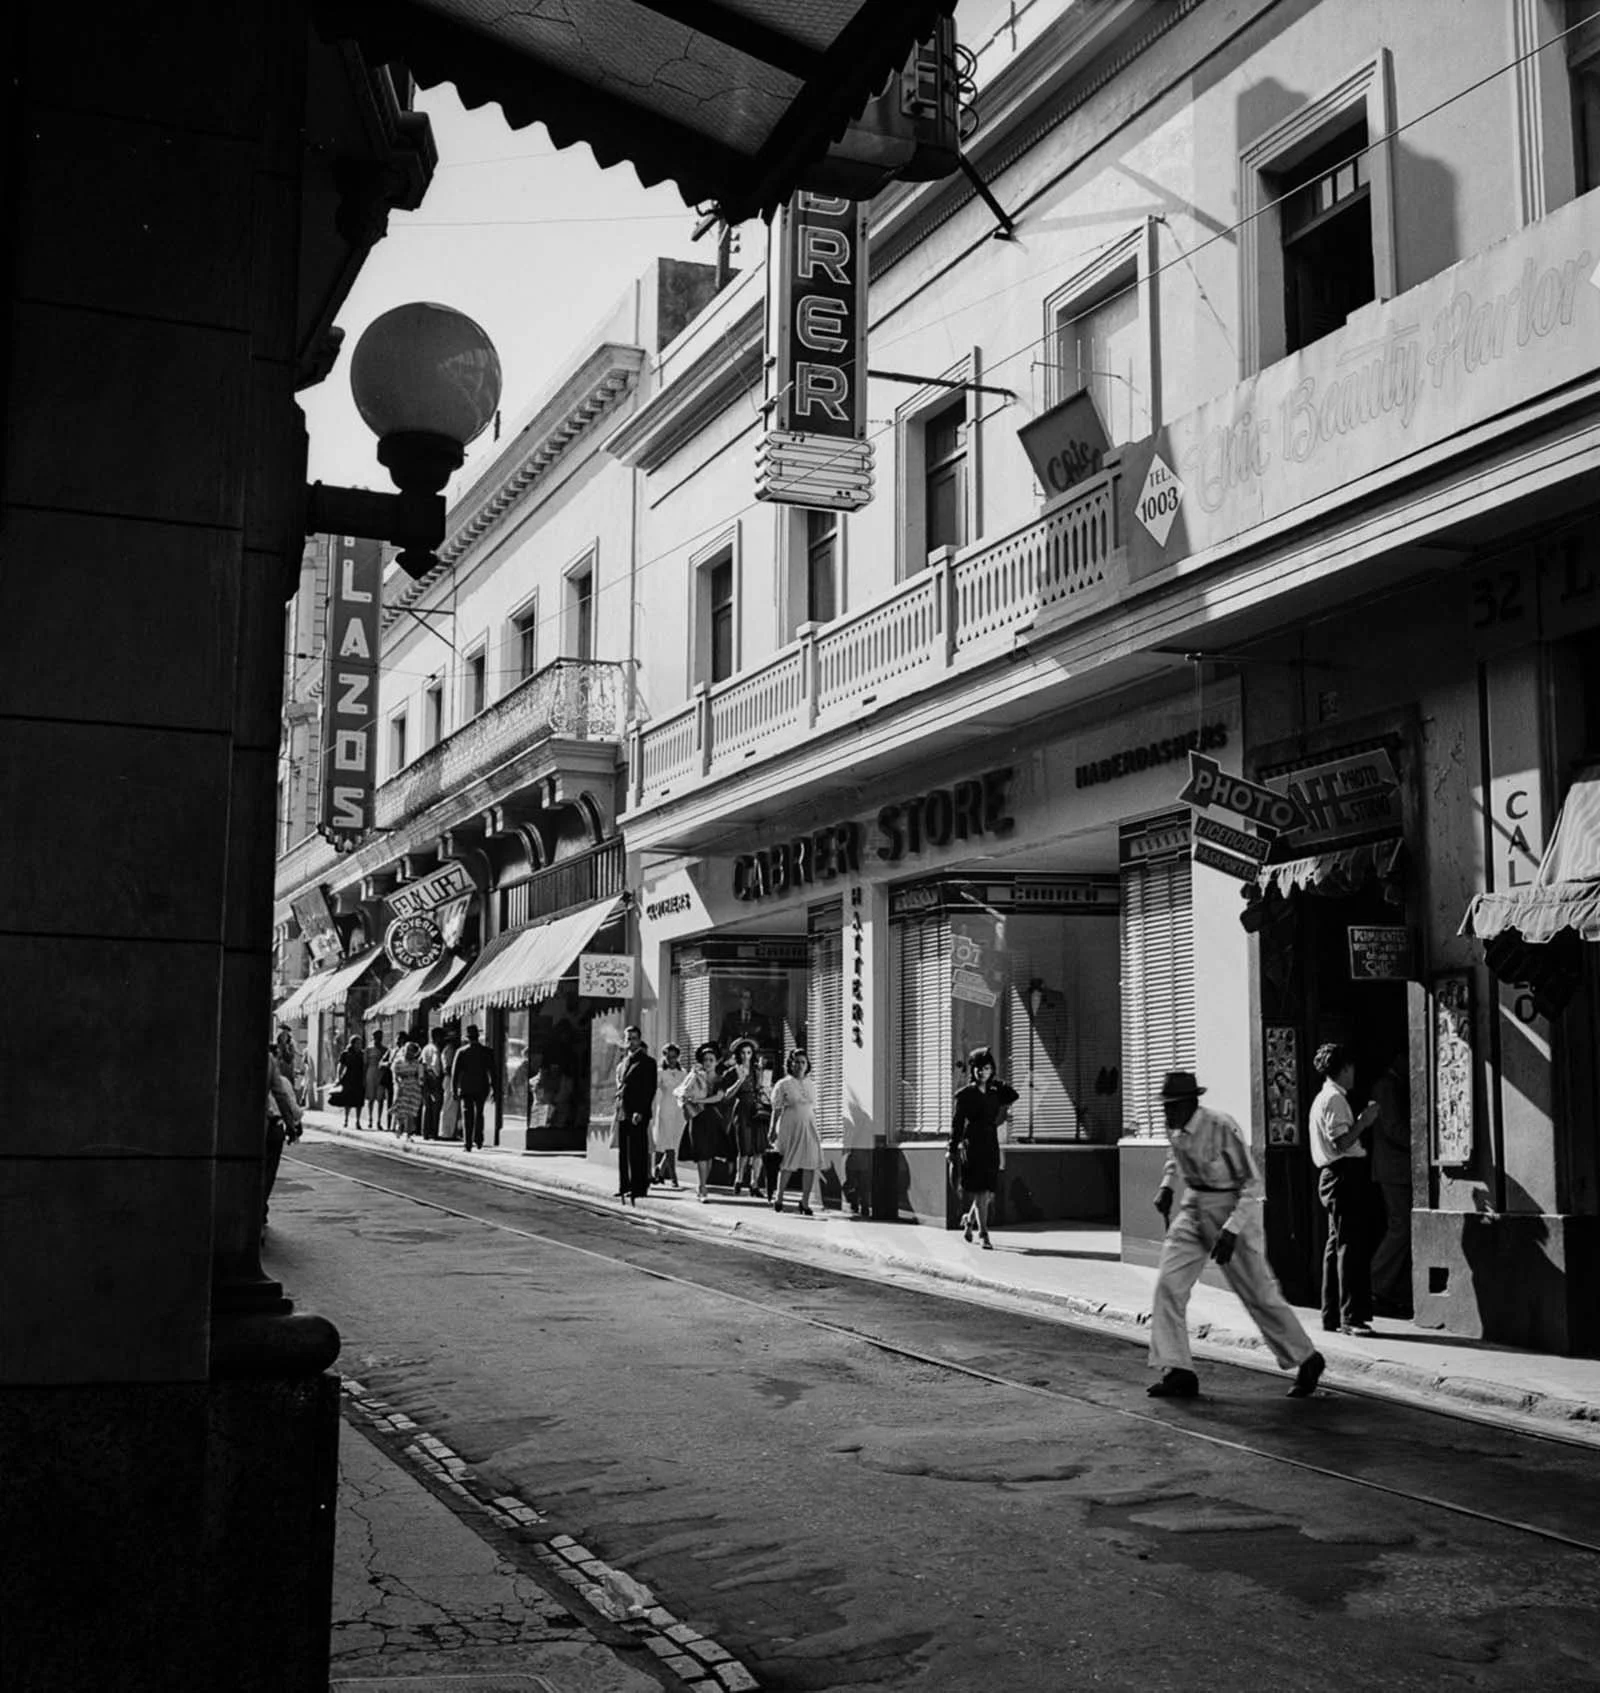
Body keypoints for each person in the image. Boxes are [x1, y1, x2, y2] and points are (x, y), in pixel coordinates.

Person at [1148, 1070, 1326, 1400]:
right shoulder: (1173, 1126)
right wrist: (1166, 1187)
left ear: (1192, 1103)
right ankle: (1177, 1370)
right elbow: (1175, 1156)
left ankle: (1307, 1358)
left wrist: (1230, 1231)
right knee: (1168, 1285)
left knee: (1257, 1292)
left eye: (1174, 1106)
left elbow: (1252, 1185)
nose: (1168, 1113)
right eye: (1166, 1107)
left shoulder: (1221, 1127)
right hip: (1193, 1207)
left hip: (1232, 1206)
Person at [1310, 1041, 1382, 1337]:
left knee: (1335, 1244)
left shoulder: (1323, 1098)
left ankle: (1333, 1315)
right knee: (1349, 1245)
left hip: (1333, 1174)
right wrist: (1364, 1122)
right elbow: (1341, 1142)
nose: (1355, 1074)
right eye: (1351, 1068)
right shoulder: (1335, 1100)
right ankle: (1351, 1317)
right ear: (1343, 1069)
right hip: (1343, 1174)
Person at [948, 1047, 1018, 1249]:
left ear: (992, 1069)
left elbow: (1013, 1094)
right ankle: (984, 1233)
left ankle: (969, 1221)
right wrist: (952, 1148)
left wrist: (995, 1082)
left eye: (987, 1068)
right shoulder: (965, 1095)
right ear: (973, 1070)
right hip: (973, 1145)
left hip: (991, 1143)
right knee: (980, 1190)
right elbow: (957, 1123)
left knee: (986, 1192)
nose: (983, 1072)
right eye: (979, 1068)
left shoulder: (995, 1091)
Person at [1367, 1050, 1413, 1317]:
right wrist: (1420, 1143)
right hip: (1394, 1170)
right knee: (1401, 1228)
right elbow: (1393, 1128)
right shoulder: (1387, 1086)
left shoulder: (1393, 1085)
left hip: (1397, 1169)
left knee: (1401, 1228)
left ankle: (1388, 1289)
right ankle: (1375, 1284)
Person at [771, 1049, 822, 1215]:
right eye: (797, 1062)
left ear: (807, 1065)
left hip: (809, 1124)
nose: (799, 1065)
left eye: (803, 1062)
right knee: (790, 1161)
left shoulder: (810, 1083)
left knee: (811, 1162)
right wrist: (772, 1129)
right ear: (790, 1064)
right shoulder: (784, 1084)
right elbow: (777, 1108)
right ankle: (779, 1197)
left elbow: (812, 1106)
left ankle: (805, 1202)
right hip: (791, 1125)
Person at [611, 1024, 658, 1205]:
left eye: (634, 1038)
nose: (630, 1042)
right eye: (628, 1038)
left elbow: (649, 1089)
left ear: (640, 1040)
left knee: (638, 1149)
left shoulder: (647, 1062)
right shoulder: (623, 1063)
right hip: (623, 1109)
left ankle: (639, 1186)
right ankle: (625, 1185)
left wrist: (641, 1110)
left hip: (638, 1112)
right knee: (624, 1150)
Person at [676, 1044, 728, 1203]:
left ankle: (704, 1184)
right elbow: (683, 1091)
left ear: (717, 1062)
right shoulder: (695, 1076)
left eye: (711, 1060)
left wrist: (699, 1100)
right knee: (701, 1153)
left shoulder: (720, 1079)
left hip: (712, 1117)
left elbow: (719, 1097)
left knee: (709, 1153)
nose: (708, 1063)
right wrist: (686, 1098)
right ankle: (702, 1186)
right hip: (697, 1117)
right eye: (705, 1060)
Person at [721, 1039, 768, 1197]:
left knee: (759, 1149)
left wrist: (762, 1077)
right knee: (745, 1148)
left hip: (757, 1109)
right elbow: (726, 1095)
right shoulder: (733, 1071)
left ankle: (755, 1184)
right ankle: (739, 1179)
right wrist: (739, 1081)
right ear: (737, 1054)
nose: (746, 1056)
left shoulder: (757, 1070)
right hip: (742, 1109)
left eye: (749, 1052)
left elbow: (762, 1089)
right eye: (743, 1053)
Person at [263, 1045, 302, 1230]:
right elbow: (281, 1095)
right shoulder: (269, 1063)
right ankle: (261, 1207)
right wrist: (291, 1126)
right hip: (271, 1126)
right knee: (268, 1172)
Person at [451, 1023, 497, 1151]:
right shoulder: (487, 1052)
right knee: (480, 1113)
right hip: (482, 1086)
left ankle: (468, 1143)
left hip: (466, 1087)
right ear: (478, 1036)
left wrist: (454, 1089)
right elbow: (493, 1071)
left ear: (467, 1038)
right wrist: (494, 1088)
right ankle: (479, 1139)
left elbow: (455, 1073)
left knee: (467, 1114)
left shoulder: (461, 1052)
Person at [653, 1044, 686, 1187]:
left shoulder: (683, 1073)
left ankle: (659, 1168)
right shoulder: (660, 1072)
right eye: (668, 1057)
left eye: (674, 1057)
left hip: (679, 1109)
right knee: (667, 1141)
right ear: (664, 1057)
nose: (671, 1060)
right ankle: (673, 1176)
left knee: (675, 1141)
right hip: (666, 1106)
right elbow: (653, 1088)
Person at [717, 988, 775, 1055]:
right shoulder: (730, 1018)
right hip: (735, 1056)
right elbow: (722, 1040)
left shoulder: (762, 1019)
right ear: (741, 999)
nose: (747, 1001)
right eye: (745, 998)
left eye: (750, 998)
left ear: (753, 1000)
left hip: (755, 1057)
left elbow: (768, 1042)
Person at [389, 1040, 425, 1141]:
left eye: (411, 1050)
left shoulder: (417, 1063)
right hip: (402, 1088)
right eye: (407, 1049)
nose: (408, 1052)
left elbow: (420, 1076)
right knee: (401, 1110)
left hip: (414, 1089)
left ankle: (408, 1134)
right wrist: (398, 1084)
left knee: (411, 1112)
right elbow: (395, 1076)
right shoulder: (398, 1062)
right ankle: (400, 1127)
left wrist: (420, 1084)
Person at [333, 1034, 366, 1131]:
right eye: (358, 1043)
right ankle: (346, 1119)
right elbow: (341, 1066)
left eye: (360, 1043)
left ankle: (358, 1121)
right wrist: (338, 1077)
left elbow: (364, 1067)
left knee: (359, 1101)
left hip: (359, 1079)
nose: (359, 1045)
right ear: (353, 1043)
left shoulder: (362, 1054)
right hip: (349, 1078)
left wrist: (365, 1079)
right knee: (348, 1100)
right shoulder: (346, 1054)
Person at [420, 1027, 445, 1140]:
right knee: (436, 1106)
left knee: (427, 1105)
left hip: (425, 1078)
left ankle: (425, 1132)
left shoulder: (425, 1048)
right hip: (434, 1079)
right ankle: (434, 1132)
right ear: (437, 1037)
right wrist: (438, 1076)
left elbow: (421, 1063)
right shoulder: (436, 1049)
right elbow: (435, 1064)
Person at [438, 1024, 462, 1141]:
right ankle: (446, 1132)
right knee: (449, 1106)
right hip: (450, 1078)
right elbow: (448, 1067)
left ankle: (449, 1131)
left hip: (450, 1078)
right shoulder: (450, 1050)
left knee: (450, 1105)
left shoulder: (447, 1049)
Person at [361, 1034, 388, 1130]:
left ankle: (379, 1121)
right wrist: (364, 1077)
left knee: (380, 1098)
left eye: (380, 1037)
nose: (378, 1039)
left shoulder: (385, 1049)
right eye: (376, 1037)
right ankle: (370, 1119)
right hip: (371, 1072)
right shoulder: (369, 1049)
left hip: (380, 1074)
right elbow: (365, 1064)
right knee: (371, 1098)